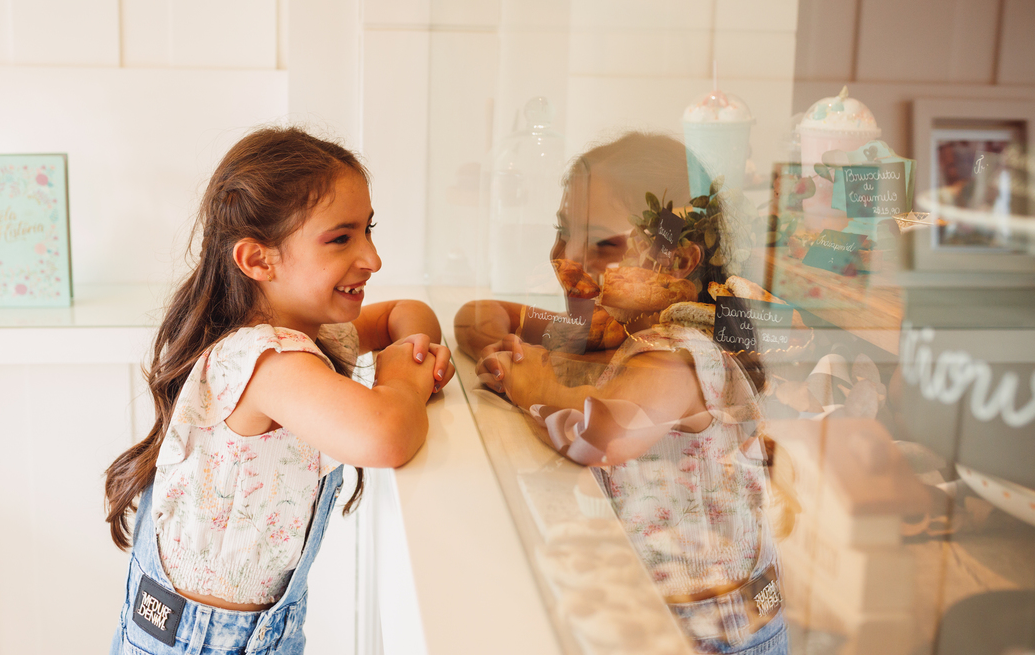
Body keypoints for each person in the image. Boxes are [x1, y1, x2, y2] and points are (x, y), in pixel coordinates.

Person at [105, 126, 453, 655]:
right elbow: (386, 435)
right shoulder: (266, 362)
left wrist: (415, 347)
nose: (373, 258)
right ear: (258, 260)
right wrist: (403, 377)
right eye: (342, 238)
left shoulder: (301, 332)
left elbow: (410, 314)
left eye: (368, 230)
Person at [455, 131, 789, 655]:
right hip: (657, 614)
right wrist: (524, 338)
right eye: (564, 233)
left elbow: (604, 433)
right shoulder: (615, 327)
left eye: (602, 244)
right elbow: (480, 316)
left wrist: (525, 375)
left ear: (678, 264)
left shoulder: (681, 351)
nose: (564, 256)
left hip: (715, 632)